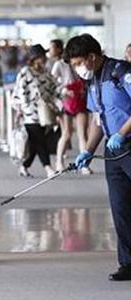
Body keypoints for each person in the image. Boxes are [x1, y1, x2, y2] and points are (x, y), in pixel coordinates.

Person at [67, 34, 131, 281]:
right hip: (113, 151)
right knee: (121, 209)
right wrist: (88, 150)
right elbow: (97, 119)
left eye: (78, 63)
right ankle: (127, 263)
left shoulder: (120, 72)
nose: (77, 69)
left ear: (92, 57)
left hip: (127, 142)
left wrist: (122, 133)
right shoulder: (93, 81)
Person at [12, 44, 59, 178]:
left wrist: (62, 96)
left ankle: (24, 166)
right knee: (39, 140)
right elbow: (21, 91)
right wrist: (21, 109)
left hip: (44, 113)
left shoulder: (45, 72)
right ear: (35, 58)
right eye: (42, 56)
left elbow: (53, 88)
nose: (44, 58)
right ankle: (48, 168)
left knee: (35, 141)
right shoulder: (25, 71)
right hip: (29, 113)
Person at [50, 42, 91, 174]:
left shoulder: (79, 63)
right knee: (66, 133)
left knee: (82, 134)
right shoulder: (59, 65)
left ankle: (84, 164)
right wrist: (64, 91)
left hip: (80, 100)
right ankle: (59, 162)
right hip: (65, 102)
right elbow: (52, 84)